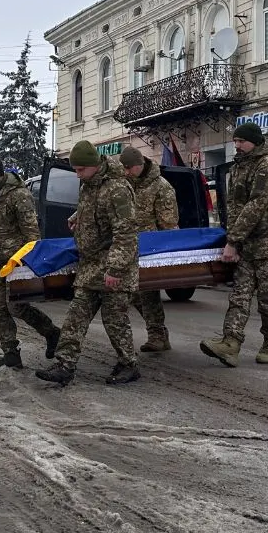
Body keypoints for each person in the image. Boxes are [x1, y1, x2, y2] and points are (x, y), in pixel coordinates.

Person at [35, 141, 140, 386]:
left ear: (94, 165)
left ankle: (128, 364)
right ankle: (64, 365)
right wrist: (77, 217)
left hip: (114, 266)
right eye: (75, 169)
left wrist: (115, 269)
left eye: (81, 169)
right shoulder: (89, 184)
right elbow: (91, 207)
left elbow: (126, 233)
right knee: (76, 315)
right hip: (91, 265)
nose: (77, 174)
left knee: (114, 320)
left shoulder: (118, 189)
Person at [200, 123, 268, 367]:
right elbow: (235, 207)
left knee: (267, 300)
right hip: (250, 245)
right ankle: (230, 343)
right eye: (235, 141)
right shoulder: (240, 167)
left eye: (241, 141)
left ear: (255, 141)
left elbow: (256, 205)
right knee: (239, 296)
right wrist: (233, 238)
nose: (237, 145)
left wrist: (233, 241)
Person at [0, 154, 61, 371]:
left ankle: (51, 333)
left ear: (0, 175)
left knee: (16, 307)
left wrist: (30, 261)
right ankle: (10, 352)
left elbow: (31, 232)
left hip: (16, 262)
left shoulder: (19, 196)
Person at [118, 147, 179, 353]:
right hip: (127, 246)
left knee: (148, 293)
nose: (126, 172)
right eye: (123, 168)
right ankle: (158, 332)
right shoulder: (124, 184)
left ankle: (157, 336)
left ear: (140, 164)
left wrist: (167, 254)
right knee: (134, 294)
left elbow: (168, 223)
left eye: (129, 168)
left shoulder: (161, 187)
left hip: (150, 248)